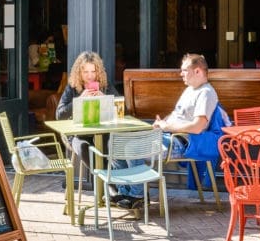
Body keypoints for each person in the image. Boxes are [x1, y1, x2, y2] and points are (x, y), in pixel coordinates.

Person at [54, 51, 143, 209]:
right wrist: (80, 99)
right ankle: (110, 185)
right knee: (83, 147)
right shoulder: (72, 88)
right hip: (77, 134)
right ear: (79, 73)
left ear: (98, 72)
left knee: (113, 145)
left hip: (103, 132)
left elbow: (124, 111)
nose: (90, 76)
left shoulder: (105, 86)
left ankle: (121, 187)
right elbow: (59, 114)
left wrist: (106, 98)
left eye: (93, 71)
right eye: (85, 71)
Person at [152, 53, 229, 189]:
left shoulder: (205, 93)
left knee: (130, 150)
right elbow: (178, 113)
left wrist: (167, 127)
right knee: (118, 145)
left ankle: (135, 195)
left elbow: (197, 127)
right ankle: (128, 193)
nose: (181, 74)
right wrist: (162, 122)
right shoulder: (189, 90)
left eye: (184, 70)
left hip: (180, 142)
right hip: (167, 136)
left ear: (198, 71)